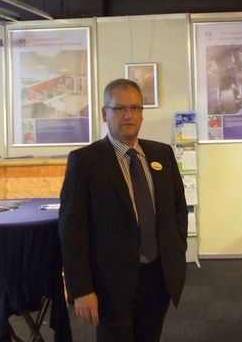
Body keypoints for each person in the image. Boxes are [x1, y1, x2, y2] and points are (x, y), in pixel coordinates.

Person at [59, 78, 188, 342]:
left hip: (157, 278)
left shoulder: (162, 154)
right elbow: (72, 232)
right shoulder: (85, 162)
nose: (129, 115)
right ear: (104, 113)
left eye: (136, 108)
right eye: (120, 108)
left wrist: (177, 249)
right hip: (110, 284)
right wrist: (81, 289)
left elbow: (177, 210)